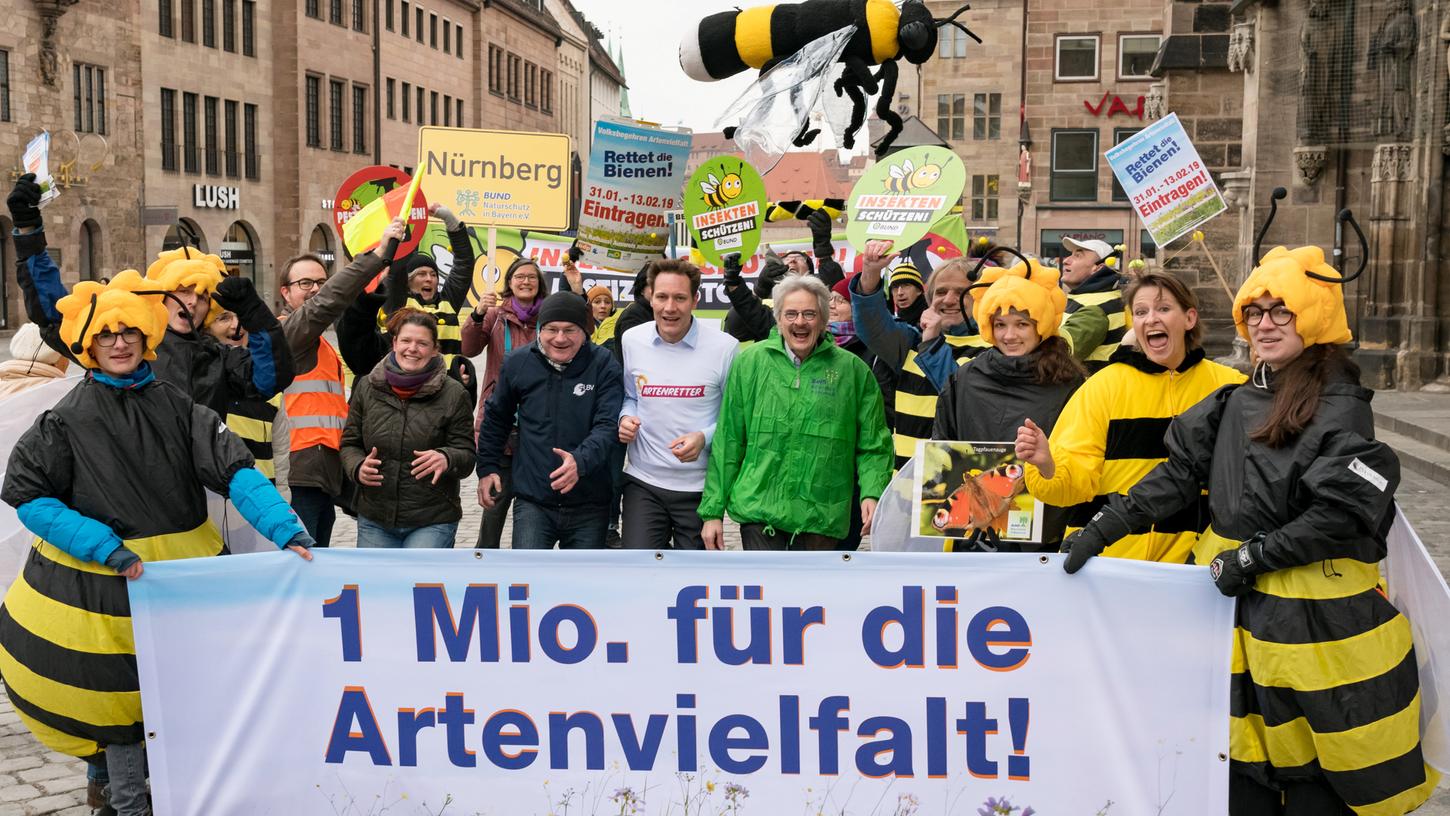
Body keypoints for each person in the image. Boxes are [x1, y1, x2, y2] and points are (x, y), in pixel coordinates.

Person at [1060, 245, 1439, 815]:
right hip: (1236, 625)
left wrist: (1254, 558)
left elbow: (1340, 512)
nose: (1264, 324)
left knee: (1322, 779)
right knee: (1241, 768)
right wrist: (1104, 527)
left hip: (1317, 632)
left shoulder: (1341, 408)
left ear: (1313, 315)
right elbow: (1180, 475)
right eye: (1254, 312)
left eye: (1280, 310)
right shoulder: (1236, 399)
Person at [0, 271, 312, 816]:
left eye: (128, 333)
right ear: (89, 344)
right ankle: (126, 803)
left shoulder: (180, 407)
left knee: (175, 697)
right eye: (106, 335)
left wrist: (286, 529)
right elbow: (28, 494)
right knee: (121, 706)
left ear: (146, 338)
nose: (119, 343)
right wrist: (103, 546)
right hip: (99, 592)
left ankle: (135, 790)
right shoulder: (66, 418)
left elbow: (235, 470)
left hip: (180, 586)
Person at [5, 175, 294, 421]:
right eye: (182, 290)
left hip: (193, 484)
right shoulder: (126, 343)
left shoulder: (217, 359)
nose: (192, 301)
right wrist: (29, 232)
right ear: (161, 296)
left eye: (202, 296)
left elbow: (269, 380)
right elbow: (54, 316)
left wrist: (257, 317)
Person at [1016, 270, 1244, 564]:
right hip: (1110, 562)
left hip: (1196, 568)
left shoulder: (1229, 387)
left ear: (1189, 319)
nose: (1151, 319)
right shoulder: (1102, 387)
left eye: (1163, 308)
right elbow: (1072, 488)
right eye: (1140, 311)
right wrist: (1047, 465)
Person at [700, 275, 893, 550]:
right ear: (778, 318)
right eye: (790, 313)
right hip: (760, 510)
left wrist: (873, 493)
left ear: (824, 319)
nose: (799, 322)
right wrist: (712, 512)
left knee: (815, 595)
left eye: (809, 314)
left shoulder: (853, 371)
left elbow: (874, 445)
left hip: (823, 515)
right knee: (766, 593)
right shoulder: (749, 365)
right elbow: (729, 441)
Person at [933, 266, 1085, 552]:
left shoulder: (1069, 383)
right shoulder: (966, 379)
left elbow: (1080, 461)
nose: (1009, 335)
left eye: (1022, 324)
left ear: (1040, 325)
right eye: (1000, 325)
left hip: (1044, 537)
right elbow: (942, 446)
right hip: (973, 536)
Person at [279, 219, 404, 546]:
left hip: (324, 473)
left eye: (322, 281)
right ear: (285, 292)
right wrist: (376, 255)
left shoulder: (321, 344)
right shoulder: (286, 335)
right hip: (299, 475)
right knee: (304, 566)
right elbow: (328, 303)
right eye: (305, 282)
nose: (316, 289)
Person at [476, 292, 623, 549]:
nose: (560, 338)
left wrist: (580, 461)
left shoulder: (603, 364)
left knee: (583, 586)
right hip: (534, 500)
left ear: (584, 331)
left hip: (589, 502)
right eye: (552, 329)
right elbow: (496, 418)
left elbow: (608, 425)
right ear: (540, 330)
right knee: (529, 582)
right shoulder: (518, 362)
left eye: (570, 330)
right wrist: (487, 468)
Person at [617, 260, 739, 550]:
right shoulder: (632, 340)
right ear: (650, 296)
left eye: (680, 298)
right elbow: (631, 396)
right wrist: (625, 417)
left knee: (697, 579)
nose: (669, 308)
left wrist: (704, 437)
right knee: (640, 571)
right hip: (644, 481)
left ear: (695, 300)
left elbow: (735, 418)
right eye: (662, 297)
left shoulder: (725, 347)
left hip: (700, 487)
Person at [341, 309, 475, 548]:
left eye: (422, 343)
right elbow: (350, 442)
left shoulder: (454, 393)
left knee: (419, 585)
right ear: (394, 343)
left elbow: (466, 455)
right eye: (406, 340)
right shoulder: (367, 386)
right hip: (375, 516)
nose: (412, 348)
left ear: (435, 349)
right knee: (377, 586)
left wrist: (446, 457)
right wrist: (357, 467)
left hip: (432, 518)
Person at [461, 256, 543, 548]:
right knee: (493, 509)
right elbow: (469, 348)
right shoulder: (495, 316)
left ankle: (525, 569)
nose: (525, 282)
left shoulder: (548, 317)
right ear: (509, 282)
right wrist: (478, 314)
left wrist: (576, 290)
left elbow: (582, 332)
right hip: (501, 426)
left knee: (534, 515)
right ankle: (485, 566)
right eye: (519, 276)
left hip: (538, 427)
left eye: (531, 277)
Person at [379, 204, 475, 367]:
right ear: (408, 281)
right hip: (406, 383)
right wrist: (402, 227)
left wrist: (450, 221)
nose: (429, 279)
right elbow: (396, 270)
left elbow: (464, 263)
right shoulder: (398, 303)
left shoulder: (447, 302)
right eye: (421, 274)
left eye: (433, 274)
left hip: (445, 386)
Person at [207, 308, 290, 494]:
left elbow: (281, 457)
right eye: (223, 318)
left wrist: (282, 501)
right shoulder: (199, 381)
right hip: (214, 504)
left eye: (242, 316)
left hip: (262, 504)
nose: (237, 325)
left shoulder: (269, 387)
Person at [1058, 236, 1126, 371]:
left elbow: (1056, 355)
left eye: (1078, 256)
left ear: (1098, 267)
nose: (1066, 261)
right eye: (1070, 255)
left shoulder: (1096, 306)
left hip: (1085, 388)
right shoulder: (1091, 297)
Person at [0, 323, 69, 397]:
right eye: (67, 354)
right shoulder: (63, 393)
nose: (68, 361)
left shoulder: (3, 385)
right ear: (56, 359)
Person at [828, 277, 870, 363]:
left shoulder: (871, 347)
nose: (831, 305)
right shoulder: (818, 339)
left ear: (857, 307)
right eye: (830, 299)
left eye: (840, 300)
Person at [885, 261, 927, 327]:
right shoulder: (891, 321)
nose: (899, 293)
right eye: (895, 287)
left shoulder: (935, 317)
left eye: (906, 285)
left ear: (919, 290)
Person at [587, 284, 620, 350]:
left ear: (612, 307)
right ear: (589, 306)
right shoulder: (581, 327)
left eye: (607, 302)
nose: (603, 306)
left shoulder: (620, 326)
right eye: (597, 302)